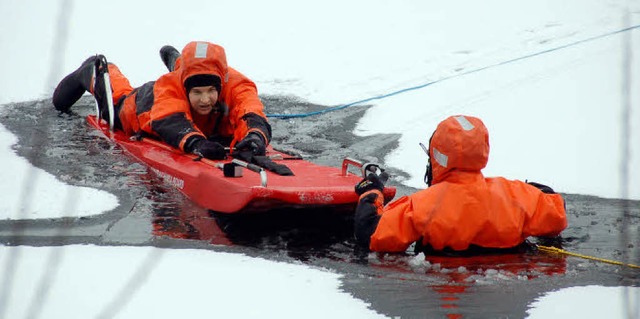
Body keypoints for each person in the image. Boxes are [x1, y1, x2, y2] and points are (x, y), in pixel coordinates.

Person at [353, 115, 568, 253]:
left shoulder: (421, 206)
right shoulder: (517, 195)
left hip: (444, 289)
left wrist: (372, 191)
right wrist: (530, 190)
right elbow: (557, 215)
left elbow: (369, 234)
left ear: (436, 157)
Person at [52, 41, 271, 160]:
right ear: (186, 86)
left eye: (211, 91)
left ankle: (178, 61)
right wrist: (197, 143)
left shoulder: (236, 84)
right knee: (118, 101)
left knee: (198, 76)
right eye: (197, 93)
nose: (205, 100)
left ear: (221, 82)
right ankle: (95, 70)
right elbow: (170, 119)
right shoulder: (168, 89)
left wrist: (255, 137)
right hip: (143, 105)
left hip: (186, 85)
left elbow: (251, 111)